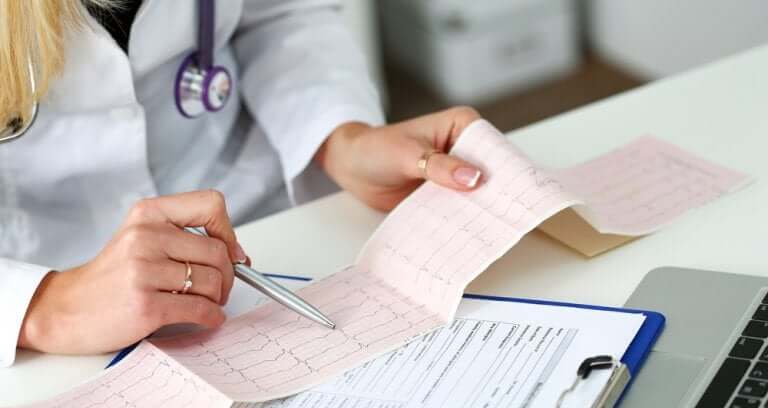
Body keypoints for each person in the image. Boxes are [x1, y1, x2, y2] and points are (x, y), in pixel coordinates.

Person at [0, 0, 483, 367]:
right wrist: (43, 305)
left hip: (256, 233)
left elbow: (279, 13)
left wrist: (340, 137)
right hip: (48, 315)